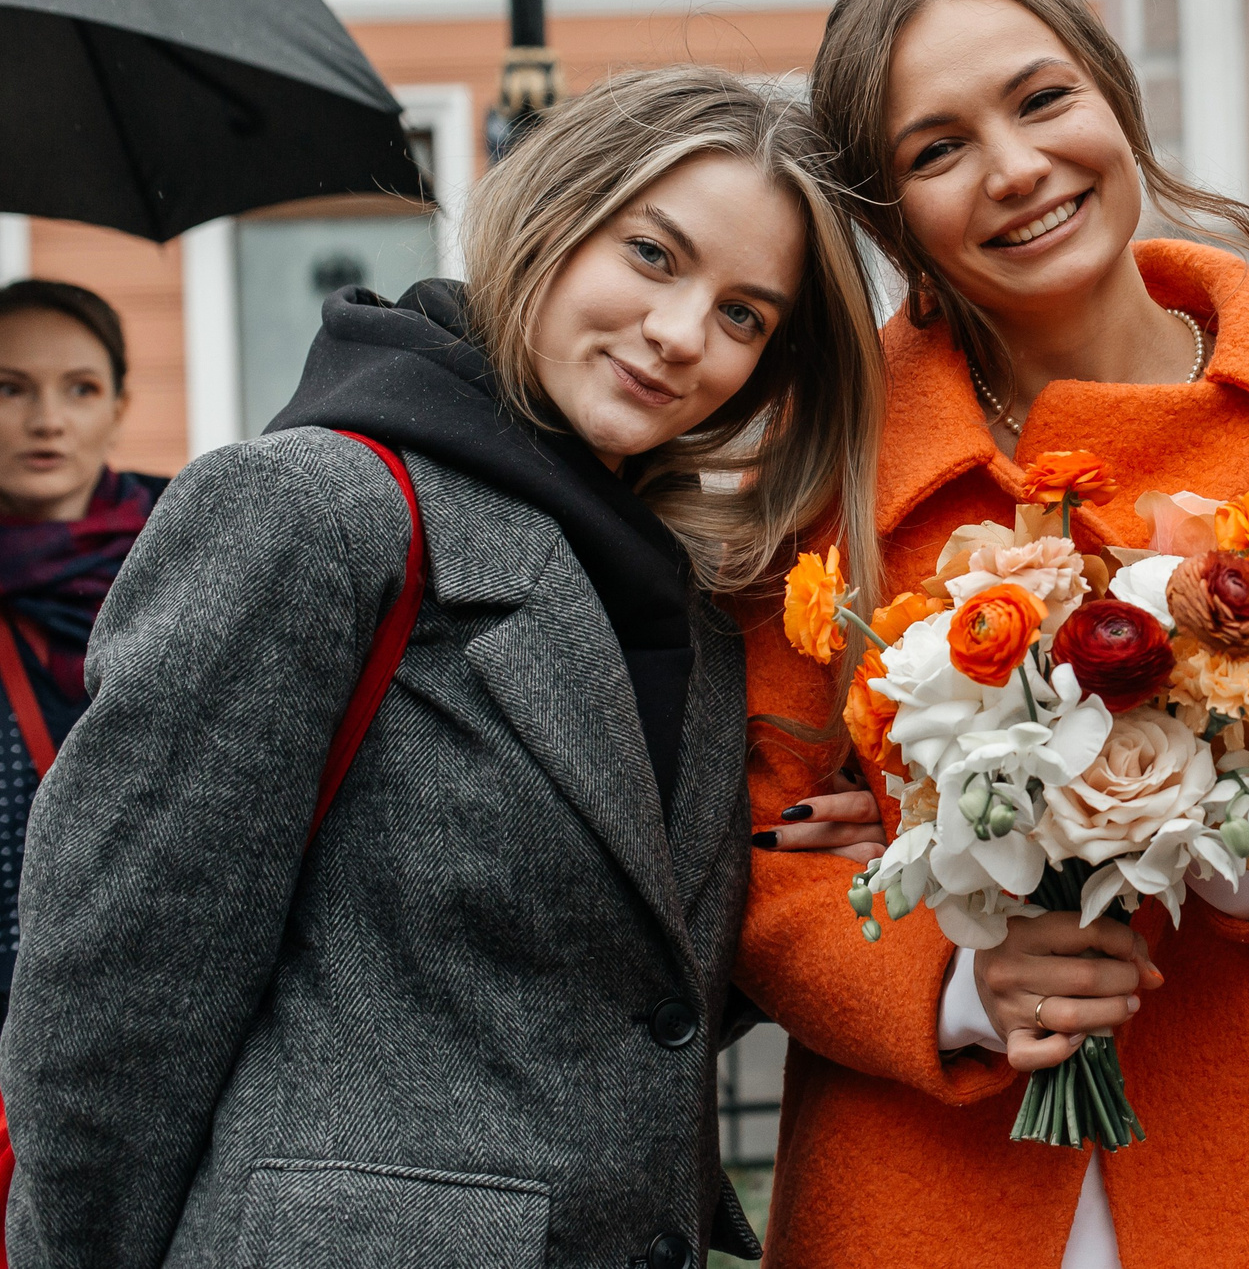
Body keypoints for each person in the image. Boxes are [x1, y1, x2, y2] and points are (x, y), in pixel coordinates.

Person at [0, 66, 887, 1269]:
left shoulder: (682, 594)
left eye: (743, 316)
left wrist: (803, 869)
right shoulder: (314, 511)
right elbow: (113, 1002)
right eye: (653, 255)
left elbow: (594, 1001)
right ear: (551, 219)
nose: (682, 335)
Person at [739, 0, 1249, 1268]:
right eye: (938, 149)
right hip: (921, 1186)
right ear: (889, 217)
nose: (1013, 167)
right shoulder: (833, 470)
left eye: (1042, 99)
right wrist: (952, 979)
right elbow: (757, 852)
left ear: (1115, 100)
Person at [0, 281, 163, 1020]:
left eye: (81, 388)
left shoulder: (197, 548)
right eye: (9, 389)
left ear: (119, 408)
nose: (47, 421)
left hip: (157, 982)